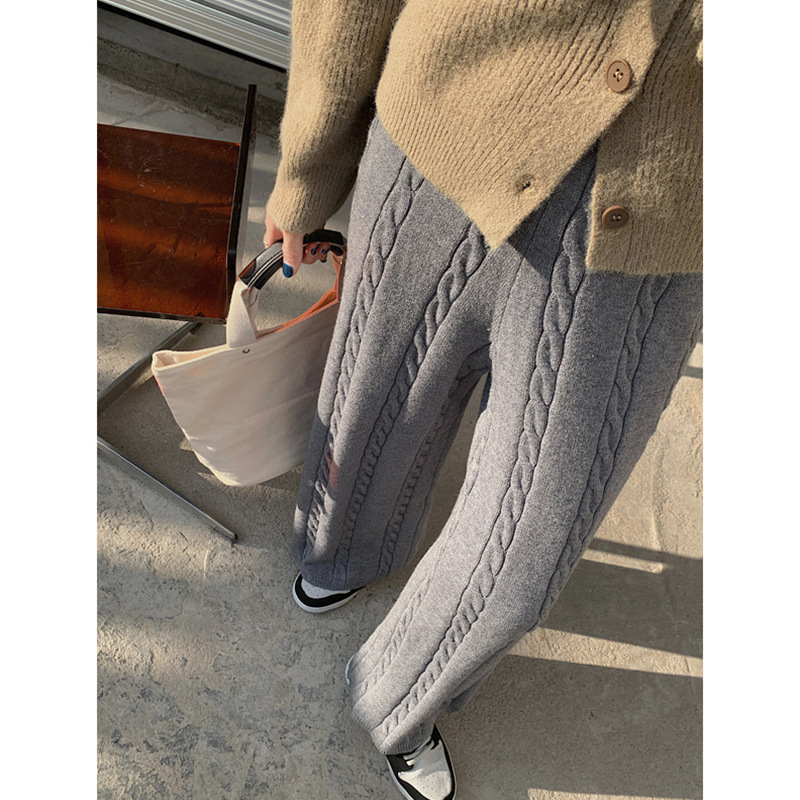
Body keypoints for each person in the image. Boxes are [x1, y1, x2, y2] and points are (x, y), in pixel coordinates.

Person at [263, 2, 702, 799]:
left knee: (528, 548)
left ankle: (400, 695)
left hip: (659, 238)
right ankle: (341, 552)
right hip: (449, 130)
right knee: (372, 407)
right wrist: (309, 166)